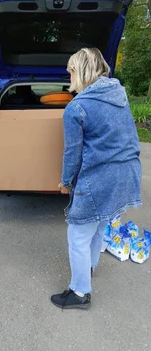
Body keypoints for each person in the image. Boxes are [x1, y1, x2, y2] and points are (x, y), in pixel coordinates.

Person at [51, 48, 142, 310]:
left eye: (70, 70)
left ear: (81, 71)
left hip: (100, 177)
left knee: (78, 234)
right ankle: (89, 268)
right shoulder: (118, 94)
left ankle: (80, 293)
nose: (68, 75)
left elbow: (72, 153)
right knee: (100, 222)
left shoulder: (77, 107)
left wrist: (66, 181)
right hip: (127, 173)